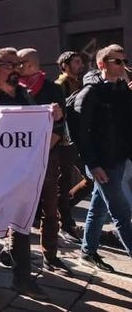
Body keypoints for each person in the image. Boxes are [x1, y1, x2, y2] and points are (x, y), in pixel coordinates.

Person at [0, 47, 62, 301]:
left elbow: (39, 132)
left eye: (19, 65)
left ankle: (22, 280)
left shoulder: (26, 97)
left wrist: (53, 118)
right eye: (10, 65)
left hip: (20, 174)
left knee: (21, 226)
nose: (16, 70)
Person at [12, 48, 71, 274]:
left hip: (47, 156)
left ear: (29, 64)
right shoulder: (14, 89)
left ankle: (50, 255)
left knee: (50, 208)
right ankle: (13, 250)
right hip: (18, 159)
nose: (15, 67)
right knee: (18, 207)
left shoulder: (53, 89)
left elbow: (59, 124)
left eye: (19, 63)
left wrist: (40, 151)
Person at [75, 44, 132, 272]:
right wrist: (92, 164)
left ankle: (87, 252)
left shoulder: (122, 90)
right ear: (102, 64)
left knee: (98, 209)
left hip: (119, 158)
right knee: (122, 214)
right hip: (103, 164)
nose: (123, 66)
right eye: (117, 61)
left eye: (124, 61)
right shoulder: (90, 92)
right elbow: (80, 134)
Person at [55, 51, 90, 244]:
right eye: (76, 62)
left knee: (91, 179)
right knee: (64, 180)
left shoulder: (79, 83)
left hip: (79, 139)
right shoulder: (61, 84)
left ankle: (61, 210)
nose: (81, 65)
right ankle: (65, 224)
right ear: (64, 65)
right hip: (65, 142)